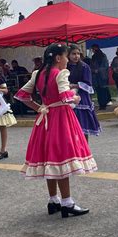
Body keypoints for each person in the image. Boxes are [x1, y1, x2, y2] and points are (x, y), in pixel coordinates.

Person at [15, 44, 97, 218]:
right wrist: (76, 96)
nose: (68, 60)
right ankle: (67, 202)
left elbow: (22, 95)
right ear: (58, 58)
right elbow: (66, 98)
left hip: (45, 117)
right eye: (66, 56)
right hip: (60, 118)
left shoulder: (38, 73)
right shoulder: (61, 73)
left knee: (49, 159)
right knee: (61, 159)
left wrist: (39, 108)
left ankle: (53, 200)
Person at [67, 44, 101, 141]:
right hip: (68, 98)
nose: (76, 56)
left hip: (82, 99)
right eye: (73, 54)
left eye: (78, 53)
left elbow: (88, 84)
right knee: (70, 128)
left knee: (83, 127)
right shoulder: (65, 67)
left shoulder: (84, 67)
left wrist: (74, 85)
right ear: (68, 55)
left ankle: (85, 150)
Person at [90, 44, 111, 110]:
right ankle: (101, 104)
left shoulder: (103, 56)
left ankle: (103, 104)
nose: (93, 50)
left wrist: (98, 70)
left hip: (102, 77)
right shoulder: (94, 57)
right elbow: (92, 66)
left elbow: (105, 66)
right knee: (99, 91)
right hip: (96, 78)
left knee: (103, 91)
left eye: (93, 49)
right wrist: (93, 70)